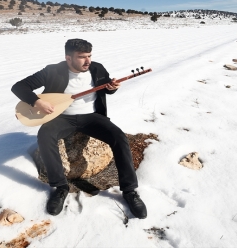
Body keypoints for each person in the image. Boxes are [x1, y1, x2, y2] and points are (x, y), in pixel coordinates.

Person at [11, 38, 147, 218]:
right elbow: (18, 87)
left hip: (92, 117)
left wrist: (112, 88)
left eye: (89, 56)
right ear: (68, 58)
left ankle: (130, 191)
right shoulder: (52, 71)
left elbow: (104, 88)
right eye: (82, 57)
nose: (88, 61)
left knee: (119, 137)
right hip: (62, 117)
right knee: (45, 135)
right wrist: (38, 102)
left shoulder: (97, 68)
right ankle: (60, 187)